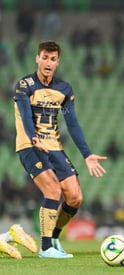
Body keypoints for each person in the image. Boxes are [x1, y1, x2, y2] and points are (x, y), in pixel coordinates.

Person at [13, 40, 107, 259]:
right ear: (37, 58)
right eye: (44, 57)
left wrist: (87, 154)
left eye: (52, 59)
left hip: (54, 147)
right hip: (30, 145)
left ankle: (54, 237)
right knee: (53, 191)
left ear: (58, 62)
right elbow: (26, 116)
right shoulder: (24, 85)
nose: (48, 62)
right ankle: (45, 248)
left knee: (74, 198)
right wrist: (35, 138)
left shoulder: (64, 89)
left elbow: (72, 123)